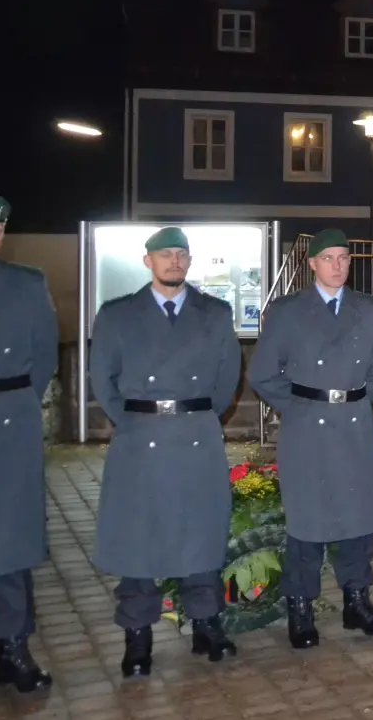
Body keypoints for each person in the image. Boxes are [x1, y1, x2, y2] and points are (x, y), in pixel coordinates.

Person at [88, 227, 242, 676]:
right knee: (138, 537)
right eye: (165, 255)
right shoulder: (118, 315)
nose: (174, 261)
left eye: (181, 254)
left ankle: (206, 624)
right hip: (141, 436)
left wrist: (195, 417)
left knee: (201, 532)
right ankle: (138, 635)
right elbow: (105, 382)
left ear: (190, 261)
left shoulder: (214, 313)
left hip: (196, 434)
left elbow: (226, 380)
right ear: (147, 261)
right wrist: (137, 420)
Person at [247, 229, 373, 648]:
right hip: (306, 428)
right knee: (307, 521)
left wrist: (358, 406)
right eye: (328, 258)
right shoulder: (288, 311)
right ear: (311, 263)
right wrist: (299, 408)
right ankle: (301, 606)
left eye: (344, 258)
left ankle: (356, 599)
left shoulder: (368, 309)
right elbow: (262, 374)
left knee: (359, 517)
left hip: (353, 425)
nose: (338, 266)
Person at [0, 193, 56, 693]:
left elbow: (43, 359)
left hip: (8, 427)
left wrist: (15, 407)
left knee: (10, 542)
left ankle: (13, 650)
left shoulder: (27, 284)